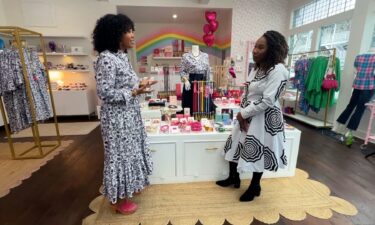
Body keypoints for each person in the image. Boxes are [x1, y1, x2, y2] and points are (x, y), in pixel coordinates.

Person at [92, 14, 157, 214]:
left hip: (129, 115)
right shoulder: (106, 58)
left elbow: (124, 85)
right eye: (128, 30)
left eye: (132, 30)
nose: (132, 35)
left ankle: (128, 188)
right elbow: (104, 92)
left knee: (131, 153)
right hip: (117, 120)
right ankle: (119, 200)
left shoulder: (121, 56)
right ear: (116, 34)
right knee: (120, 157)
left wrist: (140, 84)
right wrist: (135, 91)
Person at [216, 30, 289, 202]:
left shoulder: (278, 70)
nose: (255, 50)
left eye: (260, 47)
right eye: (255, 46)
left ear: (272, 50)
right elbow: (247, 91)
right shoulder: (258, 68)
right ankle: (234, 177)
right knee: (235, 144)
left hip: (264, 116)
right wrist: (242, 113)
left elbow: (268, 100)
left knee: (259, 149)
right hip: (248, 113)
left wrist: (243, 114)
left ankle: (255, 186)